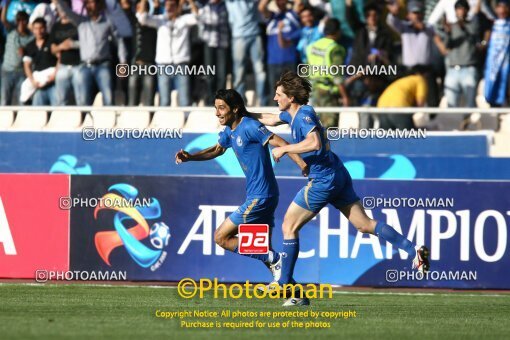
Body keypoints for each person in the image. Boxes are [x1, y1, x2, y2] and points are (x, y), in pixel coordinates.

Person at [251, 72, 430, 307]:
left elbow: (314, 142)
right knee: (364, 225)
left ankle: (286, 284)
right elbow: (271, 119)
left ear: (291, 97)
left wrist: (285, 149)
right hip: (337, 174)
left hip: (324, 180)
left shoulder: (303, 115)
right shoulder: (292, 114)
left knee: (288, 225)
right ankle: (413, 249)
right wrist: (243, 114)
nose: (275, 98)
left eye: (279, 94)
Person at [175, 89, 308, 285]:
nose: (217, 113)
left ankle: (277, 260)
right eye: (216, 108)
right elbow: (217, 149)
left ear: (235, 109)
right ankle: (293, 292)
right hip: (262, 195)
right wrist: (191, 157)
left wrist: (303, 165)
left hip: (260, 197)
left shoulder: (251, 126)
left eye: (221, 108)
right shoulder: (230, 130)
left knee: (221, 237)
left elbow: (281, 142)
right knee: (262, 250)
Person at [53, 0, 128, 106]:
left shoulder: (108, 22)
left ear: (99, 4)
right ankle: (86, 122)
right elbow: (66, 11)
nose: (90, 5)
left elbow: (119, 42)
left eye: (92, 2)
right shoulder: (81, 21)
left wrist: (123, 63)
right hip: (85, 66)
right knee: (83, 100)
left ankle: (108, 121)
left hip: (103, 66)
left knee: (108, 98)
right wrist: (58, 2)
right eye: (87, 3)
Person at [137, 0, 198, 107]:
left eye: (172, 5)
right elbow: (143, 18)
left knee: (184, 99)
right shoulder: (160, 20)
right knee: (164, 100)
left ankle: (185, 120)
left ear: (177, 6)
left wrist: (190, 2)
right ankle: (164, 122)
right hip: (163, 64)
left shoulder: (184, 20)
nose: (169, 8)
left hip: (181, 64)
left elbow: (197, 17)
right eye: (166, 5)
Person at [305, 18, 349, 128]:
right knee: (330, 130)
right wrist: (345, 96)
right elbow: (337, 76)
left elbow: (306, 70)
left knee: (317, 128)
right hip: (329, 95)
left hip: (314, 92)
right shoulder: (335, 48)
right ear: (338, 31)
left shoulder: (313, 46)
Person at [225, 0, 267, 105]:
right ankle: (240, 102)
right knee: (239, 72)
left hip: (255, 35)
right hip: (238, 37)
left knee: (260, 71)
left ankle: (263, 101)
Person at [259, 0, 301, 89]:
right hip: (273, 62)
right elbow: (261, 7)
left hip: (290, 61)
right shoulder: (272, 16)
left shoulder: (292, 14)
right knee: (274, 95)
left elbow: (298, 2)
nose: (281, 2)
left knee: (291, 94)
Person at [124, 0, 157, 106]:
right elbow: (126, 6)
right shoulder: (133, 22)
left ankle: (148, 118)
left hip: (149, 63)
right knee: (132, 92)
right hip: (135, 63)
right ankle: (131, 115)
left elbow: (152, 10)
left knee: (149, 94)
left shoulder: (153, 21)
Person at [198, 0, 229, 105]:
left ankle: (221, 101)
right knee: (209, 74)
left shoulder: (226, 5)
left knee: (222, 75)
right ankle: (209, 101)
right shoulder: (204, 5)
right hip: (209, 43)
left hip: (223, 43)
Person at [49, 0, 80, 105]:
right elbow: (53, 48)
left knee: (80, 98)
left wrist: (73, 44)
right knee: (62, 99)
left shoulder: (77, 23)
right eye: (60, 8)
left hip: (78, 66)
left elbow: (86, 42)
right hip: (63, 66)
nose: (62, 10)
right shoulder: (56, 26)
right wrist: (62, 46)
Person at [22, 17, 58, 105]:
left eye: (41, 28)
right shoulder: (30, 45)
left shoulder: (52, 41)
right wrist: (33, 81)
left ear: (45, 28)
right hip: (38, 83)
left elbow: (60, 58)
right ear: (33, 30)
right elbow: (27, 65)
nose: (39, 31)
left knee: (57, 108)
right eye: (36, 28)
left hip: (53, 82)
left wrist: (54, 75)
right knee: (36, 109)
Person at [1, 10, 32, 105]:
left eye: (24, 20)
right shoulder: (11, 30)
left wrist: (25, 52)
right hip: (7, 71)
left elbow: (32, 54)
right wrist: (6, 4)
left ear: (27, 21)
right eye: (19, 20)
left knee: (21, 100)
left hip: (21, 72)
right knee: (4, 99)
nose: (21, 23)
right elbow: (3, 19)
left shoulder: (31, 37)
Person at [484, 0, 510, 108]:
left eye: (504, 7)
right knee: (492, 86)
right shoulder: (490, 24)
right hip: (493, 63)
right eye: (499, 7)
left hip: (506, 64)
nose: (502, 10)